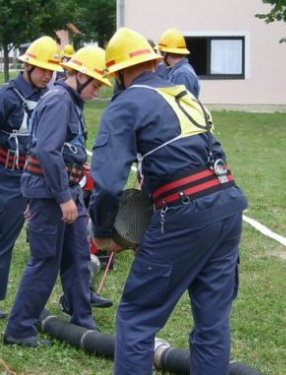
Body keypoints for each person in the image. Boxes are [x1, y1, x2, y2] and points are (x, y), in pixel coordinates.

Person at [89, 27, 248, 374]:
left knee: (137, 318)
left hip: (184, 214)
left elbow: (105, 184)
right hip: (227, 208)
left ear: (118, 74)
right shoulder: (183, 95)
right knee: (212, 321)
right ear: (153, 63)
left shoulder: (127, 103)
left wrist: (104, 232)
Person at [2, 46, 109, 348]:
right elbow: (46, 152)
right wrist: (63, 198)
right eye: (97, 84)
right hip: (52, 195)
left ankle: (83, 320)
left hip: (68, 191)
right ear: (79, 76)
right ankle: (19, 329)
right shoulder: (60, 101)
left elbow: (63, 149)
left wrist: (75, 177)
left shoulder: (71, 102)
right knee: (46, 260)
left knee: (77, 257)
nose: (98, 92)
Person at [0, 36, 62, 319]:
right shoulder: (4, 97)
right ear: (28, 66)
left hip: (41, 180)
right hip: (9, 178)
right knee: (2, 238)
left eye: (51, 70)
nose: (48, 75)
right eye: (42, 69)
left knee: (51, 242)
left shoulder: (52, 96)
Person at [156, 28, 201, 98]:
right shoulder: (177, 71)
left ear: (165, 53)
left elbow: (180, 104)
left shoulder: (182, 75)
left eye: (161, 52)